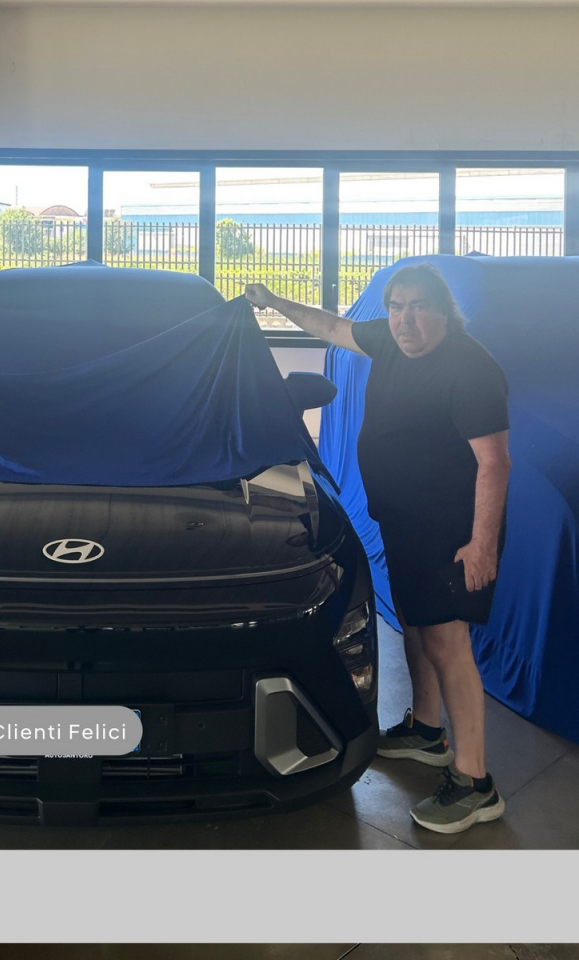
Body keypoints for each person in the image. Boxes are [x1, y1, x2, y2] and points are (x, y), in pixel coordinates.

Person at [245, 264, 511, 834]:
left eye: (418, 307)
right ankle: (426, 730)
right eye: (396, 306)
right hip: (405, 520)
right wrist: (273, 301)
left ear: (444, 312)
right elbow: (331, 327)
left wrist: (482, 544)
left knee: (447, 642)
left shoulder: (470, 368)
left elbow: (494, 462)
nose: (405, 319)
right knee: (414, 622)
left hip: (449, 531)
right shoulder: (390, 341)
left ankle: (475, 783)